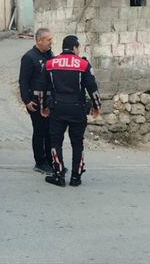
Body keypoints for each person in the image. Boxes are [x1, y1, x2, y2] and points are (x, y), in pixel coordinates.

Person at [41, 35, 101, 187]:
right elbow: (92, 88)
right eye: (78, 47)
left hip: (57, 108)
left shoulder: (50, 64)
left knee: (56, 141)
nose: (79, 50)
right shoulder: (83, 64)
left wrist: (44, 107)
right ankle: (76, 177)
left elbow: (43, 88)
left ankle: (58, 174)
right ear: (74, 47)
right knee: (77, 143)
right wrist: (96, 107)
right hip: (77, 109)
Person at [19, 28, 55, 175]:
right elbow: (23, 81)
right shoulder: (29, 57)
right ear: (39, 40)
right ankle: (40, 162)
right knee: (40, 131)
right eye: (49, 39)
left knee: (49, 132)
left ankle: (50, 161)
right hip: (35, 101)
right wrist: (26, 101)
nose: (51, 42)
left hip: (49, 100)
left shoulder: (50, 55)